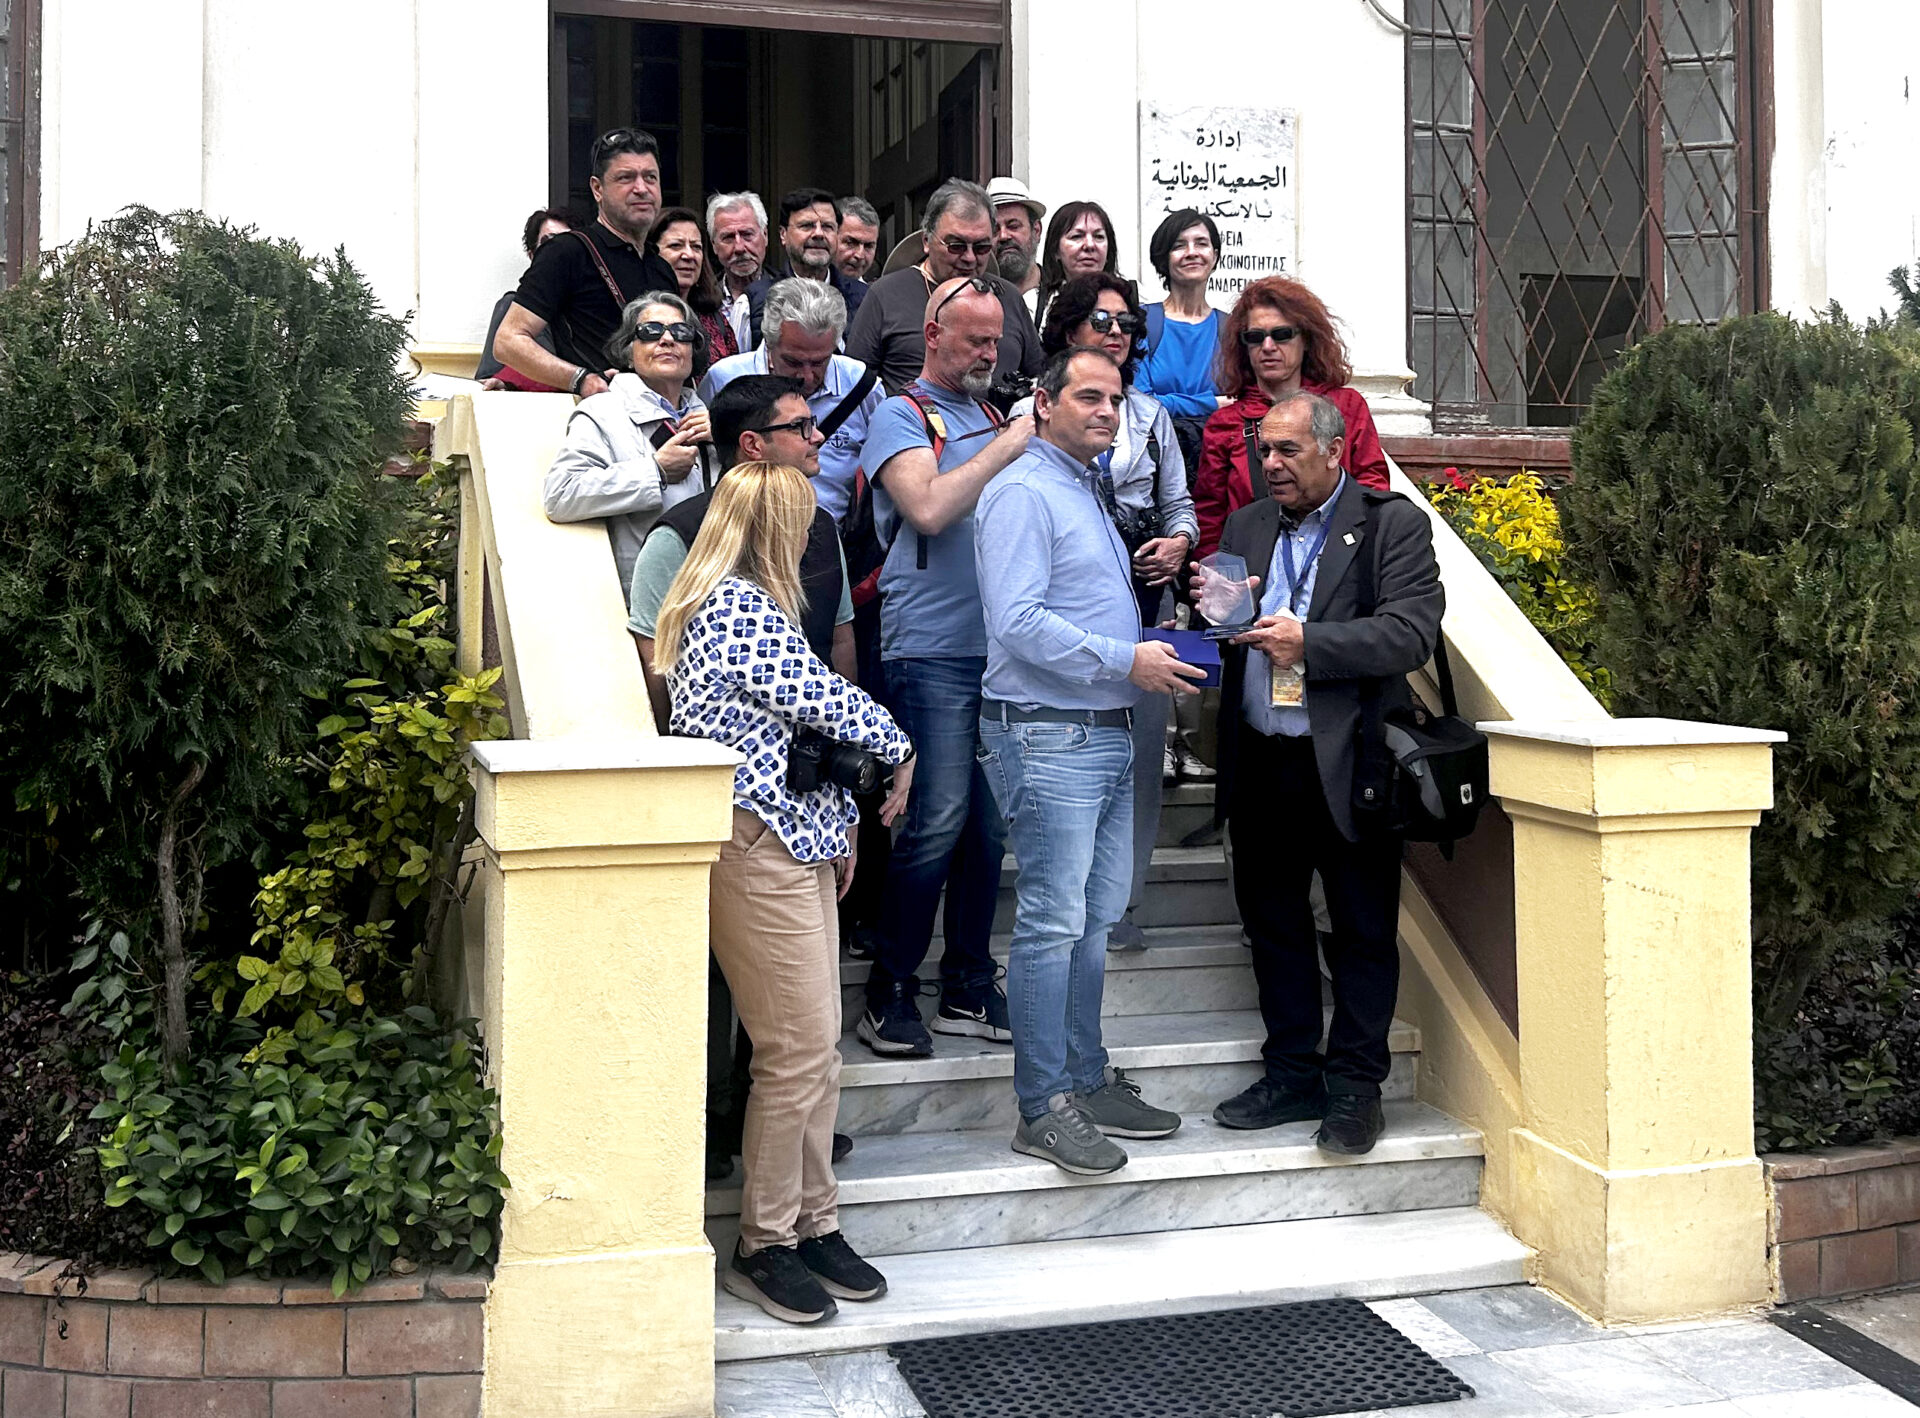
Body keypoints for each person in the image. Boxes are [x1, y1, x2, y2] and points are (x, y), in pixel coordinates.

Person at [653, 459, 915, 1325]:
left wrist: (836, 828)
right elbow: (825, 701)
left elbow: (793, 737)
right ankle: (765, 1243)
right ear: (774, 527)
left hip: (787, 839)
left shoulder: (750, 606)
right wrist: (901, 747)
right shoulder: (733, 607)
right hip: (752, 845)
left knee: (815, 1050)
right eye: (801, 521)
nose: (810, 538)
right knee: (796, 1050)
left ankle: (814, 1222)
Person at [975, 347, 1201, 1175]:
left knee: (1095, 920)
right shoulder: (1021, 491)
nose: (1108, 412)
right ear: (1044, 403)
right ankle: (1042, 1107)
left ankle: (1085, 1076)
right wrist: (1123, 657)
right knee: (1052, 923)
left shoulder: (1083, 487)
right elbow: (1016, 621)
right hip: (1047, 734)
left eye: (1116, 400)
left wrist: (1144, 648)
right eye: (1089, 397)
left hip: (1103, 727)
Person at [1199, 390, 1443, 1156]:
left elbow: (1409, 633)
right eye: (1263, 450)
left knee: (1363, 930)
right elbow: (1226, 627)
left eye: (1288, 450)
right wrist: (1211, 616)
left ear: (1335, 451)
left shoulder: (1390, 524)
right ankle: (1292, 1075)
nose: (1270, 464)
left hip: (1350, 762)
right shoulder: (1246, 525)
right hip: (1261, 758)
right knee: (1273, 925)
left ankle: (1356, 1090)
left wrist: (1310, 642)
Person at [630, 375, 861, 1184]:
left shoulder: (819, 528)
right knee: (738, 1002)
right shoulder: (683, 542)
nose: (819, 438)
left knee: (799, 1029)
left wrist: (840, 796)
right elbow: (654, 671)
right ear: (753, 446)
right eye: (801, 427)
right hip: (729, 809)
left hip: (807, 806)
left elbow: (835, 659)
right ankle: (719, 1143)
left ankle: (790, 1170)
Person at [855, 277, 1035, 1057]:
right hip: (928, 647)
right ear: (933, 334)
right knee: (935, 819)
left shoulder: (994, 416)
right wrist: (1013, 444)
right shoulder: (902, 414)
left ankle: (966, 981)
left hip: (998, 654)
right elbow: (926, 508)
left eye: (997, 340)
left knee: (988, 830)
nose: (990, 353)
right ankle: (890, 987)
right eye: (975, 340)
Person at [1013, 274, 1198, 951]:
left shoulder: (1150, 416)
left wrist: (1179, 544)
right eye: (1102, 320)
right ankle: (1063, 906)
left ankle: (1123, 903)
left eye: (1127, 323)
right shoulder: (1030, 415)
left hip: (1143, 602)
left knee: (1141, 760)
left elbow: (1179, 504)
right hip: (1061, 605)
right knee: (1065, 759)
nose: (1117, 332)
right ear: (1068, 329)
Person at [1193, 275, 1390, 559]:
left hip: (1336, 563)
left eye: (1282, 334)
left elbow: (1372, 489)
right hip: (1254, 569)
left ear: (1306, 339)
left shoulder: (1346, 406)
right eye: (1255, 337)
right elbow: (1210, 517)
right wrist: (1219, 575)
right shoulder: (1225, 424)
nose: (1268, 346)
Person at [542, 291, 717, 598]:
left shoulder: (713, 419)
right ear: (628, 350)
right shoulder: (602, 412)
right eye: (650, 332)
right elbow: (561, 494)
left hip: (714, 592)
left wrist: (726, 440)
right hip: (648, 598)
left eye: (681, 332)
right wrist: (655, 472)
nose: (667, 340)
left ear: (693, 349)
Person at [492, 129, 679, 398]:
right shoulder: (566, 252)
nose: (641, 188)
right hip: (599, 414)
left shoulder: (662, 268)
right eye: (625, 178)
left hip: (661, 413)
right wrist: (580, 379)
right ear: (597, 189)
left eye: (650, 177)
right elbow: (508, 341)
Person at [700, 278, 883, 524]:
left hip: (835, 536)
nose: (806, 376)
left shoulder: (862, 385)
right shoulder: (725, 379)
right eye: (793, 362)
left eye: (819, 362)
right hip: (745, 529)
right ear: (769, 344)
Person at [846, 179, 1044, 397]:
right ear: (926, 240)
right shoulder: (885, 295)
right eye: (956, 246)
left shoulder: (1008, 297)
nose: (969, 257)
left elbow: (1040, 377)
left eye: (981, 247)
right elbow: (852, 388)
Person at [1136, 208, 1227, 473]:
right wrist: (1211, 403)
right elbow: (1142, 403)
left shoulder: (1231, 327)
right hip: (1154, 463)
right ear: (1164, 258)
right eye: (1179, 246)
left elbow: (1239, 402)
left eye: (1201, 243)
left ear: (1214, 256)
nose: (1191, 252)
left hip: (1217, 462)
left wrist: (1170, 401)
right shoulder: (1143, 322)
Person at [746, 188, 868, 349]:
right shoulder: (754, 300)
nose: (818, 234)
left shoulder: (865, 299)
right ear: (783, 234)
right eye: (807, 226)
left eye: (827, 226)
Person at [476, 208, 577, 386]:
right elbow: (487, 380)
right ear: (533, 256)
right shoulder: (514, 306)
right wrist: (505, 382)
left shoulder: (590, 306)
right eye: (550, 244)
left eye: (568, 243)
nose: (559, 252)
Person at [645, 207, 738, 370]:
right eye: (676, 245)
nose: (689, 255)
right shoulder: (638, 318)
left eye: (696, 247)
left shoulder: (716, 321)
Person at [1033, 199, 1119, 329]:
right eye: (1077, 236)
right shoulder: (1034, 306)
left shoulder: (1134, 301)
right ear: (1056, 251)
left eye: (1098, 236)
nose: (1089, 245)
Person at [707, 191, 769, 353]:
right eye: (728, 237)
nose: (739, 248)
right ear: (714, 245)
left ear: (765, 236)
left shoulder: (786, 294)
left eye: (747, 234)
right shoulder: (701, 300)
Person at [987, 176, 1046, 314]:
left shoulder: (1061, 297)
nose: (1003, 236)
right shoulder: (975, 300)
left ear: (1036, 231)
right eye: (994, 230)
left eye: (1013, 226)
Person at [834, 197, 881, 284]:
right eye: (850, 243)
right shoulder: (808, 289)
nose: (860, 255)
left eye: (868, 246)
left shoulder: (874, 292)